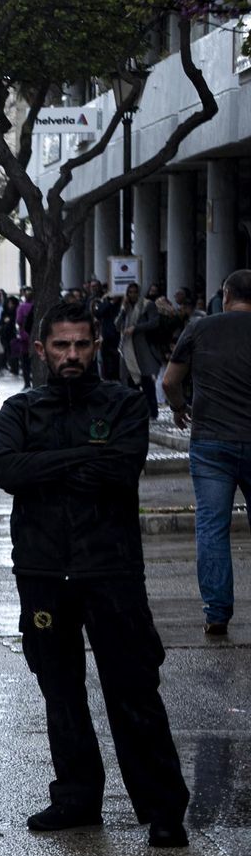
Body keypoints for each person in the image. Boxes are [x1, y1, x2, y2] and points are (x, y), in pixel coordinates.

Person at [0, 301, 190, 849]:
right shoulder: (20, 410)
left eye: (81, 344)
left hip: (112, 568)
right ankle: (76, 798)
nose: (72, 354)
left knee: (133, 690)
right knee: (60, 690)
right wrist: (82, 459)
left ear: (96, 345)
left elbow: (120, 469)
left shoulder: (123, 403)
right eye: (61, 345)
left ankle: (163, 809)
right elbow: (7, 469)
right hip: (42, 570)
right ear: (42, 350)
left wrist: (46, 466)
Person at [162, 268, 251, 636]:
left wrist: (179, 407)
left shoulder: (199, 328)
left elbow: (170, 381)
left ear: (226, 295)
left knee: (212, 527)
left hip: (211, 442)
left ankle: (217, 612)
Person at [121, 284, 164, 420]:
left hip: (143, 348)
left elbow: (154, 322)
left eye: (135, 292)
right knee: (131, 382)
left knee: (147, 382)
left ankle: (152, 411)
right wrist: (123, 310)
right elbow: (117, 325)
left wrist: (136, 328)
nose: (132, 295)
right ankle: (136, 412)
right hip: (128, 349)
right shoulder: (126, 307)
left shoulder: (147, 305)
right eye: (130, 292)